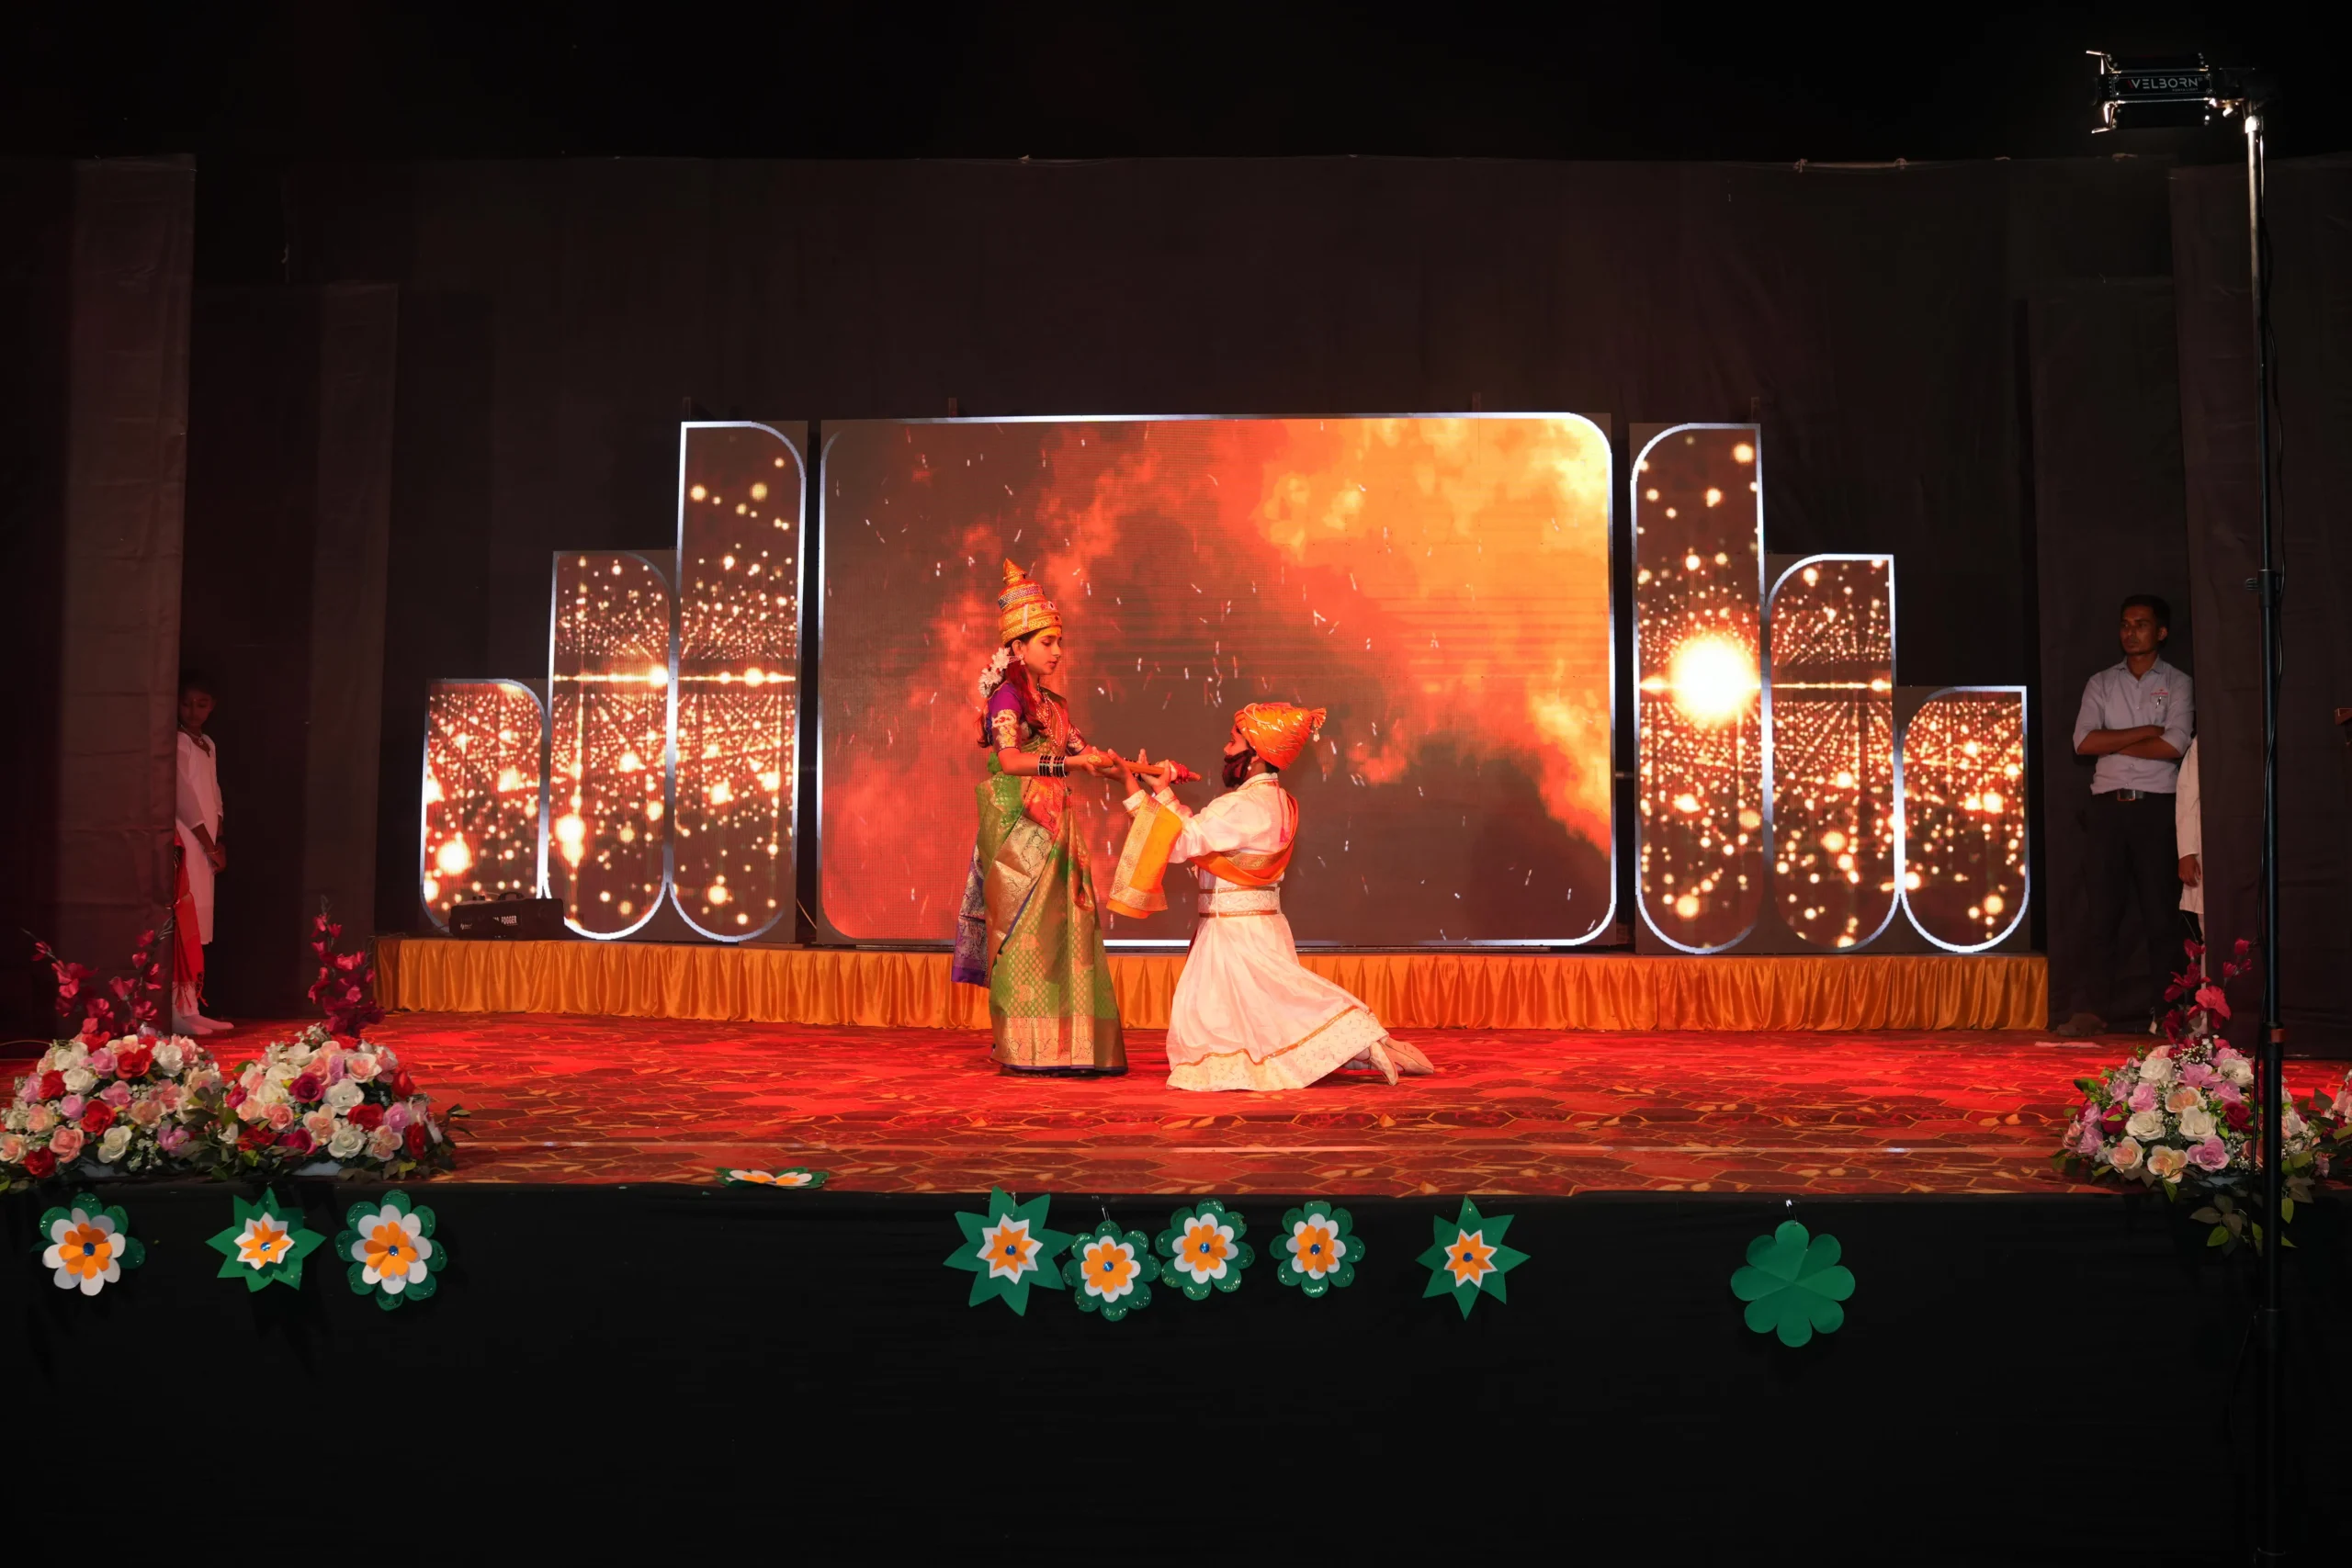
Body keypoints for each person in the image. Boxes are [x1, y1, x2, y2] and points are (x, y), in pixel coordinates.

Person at [1108, 701, 1433, 1090]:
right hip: (1251, 927)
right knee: (1268, 1013)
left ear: (1257, 754)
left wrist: (1129, 785)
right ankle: (1364, 1045)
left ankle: (1362, 1037)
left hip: (1236, 934)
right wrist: (1161, 793)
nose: (1225, 749)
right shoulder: (1276, 801)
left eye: (1233, 742)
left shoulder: (1242, 805)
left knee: (1248, 1014)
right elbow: (1198, 838)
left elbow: (1178, 844)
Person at [950, 561, 1129, 1075]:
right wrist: (1068, 765)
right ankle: (1025, 1047)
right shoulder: (1005, 698)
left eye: (1059, 642)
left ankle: (1073, 1047)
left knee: (1065, 930)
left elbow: (1086, 754)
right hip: (1020, 826)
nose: (1057, 652)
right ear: (1018, 646)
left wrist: (1138, 770)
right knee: (1025, 931)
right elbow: (1009, 761)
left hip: (1056, 827)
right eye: (1047, 642)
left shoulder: (1051, 704)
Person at [2066, 594, 2193, 1034]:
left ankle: (2167, 1013)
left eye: (2141, 624)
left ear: (2161, 632)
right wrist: (2145, 732)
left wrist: (2114, 740)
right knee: (2100, 914)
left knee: (2161, 917)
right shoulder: (2101, 682)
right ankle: (2092, 1010)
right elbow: (2084, 742)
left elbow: (2174, 745)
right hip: (2107, 809)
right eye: (2125, 624)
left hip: (2157, 808)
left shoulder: (2178, 682)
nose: (2130, 632)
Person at [174, 672, 232, 1033]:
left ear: (212, 707)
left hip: (207, 843)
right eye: (186, 703)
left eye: (202, 704)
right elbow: (184, 797)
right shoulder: (178, 741)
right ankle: (176, 1008)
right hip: (187, 838)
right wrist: (207, 843)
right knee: (184, 920)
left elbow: (214, 794)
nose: (193, 711)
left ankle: (191, 1005)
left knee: (199, 924)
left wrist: (218, 839)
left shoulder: (207, 742)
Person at [2175, 734, 2203, 953]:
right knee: (2213, 933)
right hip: (2211, 847)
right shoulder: (2207, 738)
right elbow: (2188, 796)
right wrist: (2186, 852)